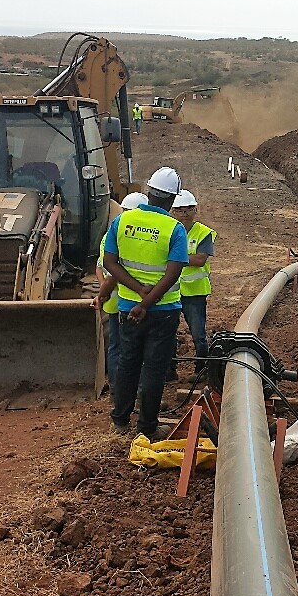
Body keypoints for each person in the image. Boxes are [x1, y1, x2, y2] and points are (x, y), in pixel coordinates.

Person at [101, 167, 188, 440]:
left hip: (128, 309)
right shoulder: (175, 228)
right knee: (154, 367)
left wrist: (137, 294)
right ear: (172, 200)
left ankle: (120, 420)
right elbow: (173, 272)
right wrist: (147, 302)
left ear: (149, 193)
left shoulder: (121, 223)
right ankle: (147, 426)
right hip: (163, 312)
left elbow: (109, 263)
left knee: (128, 362)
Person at [92, 191, 148, 390]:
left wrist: (102, 293)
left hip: (116, 303)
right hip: (134, 303)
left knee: (117, 346)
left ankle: (118, 386)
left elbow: (100, 268)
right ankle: (135, 387)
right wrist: (104, 291)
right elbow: (113, 274)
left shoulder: (110, 235)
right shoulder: (135, 238)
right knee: (134, 348)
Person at [169, 189, 217, 381]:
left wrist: (175, 259)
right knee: (168, 333)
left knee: (198, 333)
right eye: (180, 210)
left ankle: (201, 369)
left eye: (189, 209)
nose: (185, 213)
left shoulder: (203, 233)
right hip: (171, 291)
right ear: (173, 211)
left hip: (195, 293)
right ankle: (169, 370)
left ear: (195, 210)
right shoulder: (169, 231)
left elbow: (200, 259)